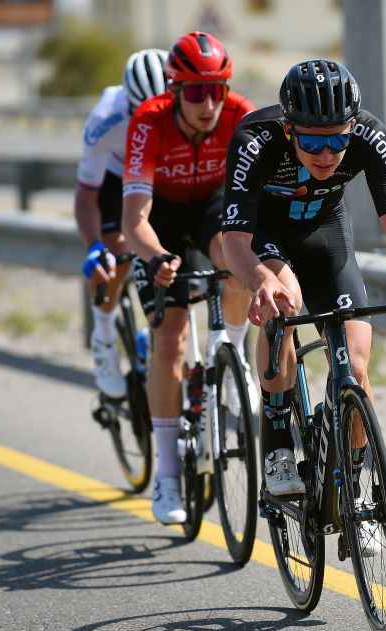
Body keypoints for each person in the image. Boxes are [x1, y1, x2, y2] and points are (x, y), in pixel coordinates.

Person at [220, 59, 386, 500]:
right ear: (289, 130)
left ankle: (353, 489)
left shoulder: (370, 135)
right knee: (287, 301)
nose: (327, 155)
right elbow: (233, 240)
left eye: (338, 141)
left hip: (325, 235)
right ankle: (279, 445)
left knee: (356, 371)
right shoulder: (254, 140)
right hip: (265, 235)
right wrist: (260, 278)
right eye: (312, 143)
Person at [121, 31, 257, 525]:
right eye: (197, 92)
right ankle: (167, 476)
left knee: (238, 257)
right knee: (171, 340)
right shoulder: (149, 121)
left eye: (216, 90)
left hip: (213, 207)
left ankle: (234, 354)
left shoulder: (242, 113)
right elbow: (134, 218)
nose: (208, 104)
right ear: (175, 91)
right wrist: (156, 256)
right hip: (161, 222)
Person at [76, 48, 169, 398]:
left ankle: (150, 334)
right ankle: (102, 337)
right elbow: (86, 197)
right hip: (116, 180)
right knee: (115, 256)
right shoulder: (105, 120)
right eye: (143, 112)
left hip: (159, 176)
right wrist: (95, 245)